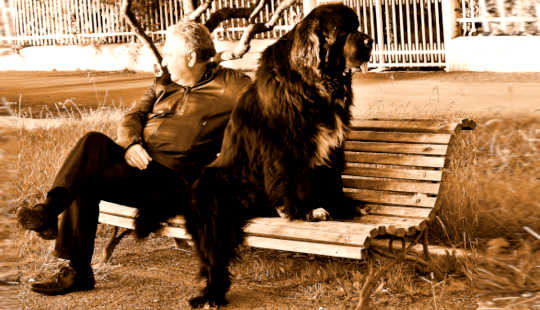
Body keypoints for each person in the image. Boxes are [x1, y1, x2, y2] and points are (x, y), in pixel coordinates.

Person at [16, 21, 251, 295]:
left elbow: (268, 106)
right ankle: (69, 254)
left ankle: (51, 219)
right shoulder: (164, 84)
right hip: (140, 169)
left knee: (85, 175)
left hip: (174, 181)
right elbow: (132, 117)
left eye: (169, 54)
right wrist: (130, 144)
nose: (163, 60)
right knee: (90, 150)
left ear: (190, 56)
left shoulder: (231, 87)